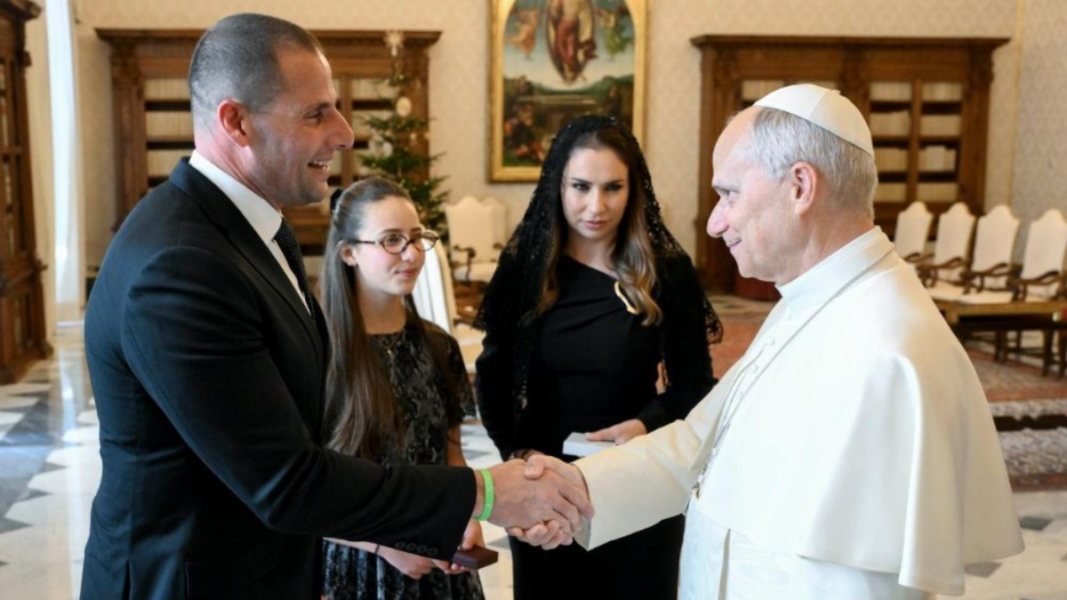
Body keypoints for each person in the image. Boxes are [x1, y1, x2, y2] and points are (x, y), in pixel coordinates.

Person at [81, 13, 590, 600]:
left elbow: (290, 439)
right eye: (316, 113)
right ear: (236, 121)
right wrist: (491, 493)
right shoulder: (180, 266)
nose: (345, 133)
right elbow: (284, 482)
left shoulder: (250, 232)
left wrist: (392, 528)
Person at [518, 84, 1025, 598]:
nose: (715, 223)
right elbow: (699, 443)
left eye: (729, 194)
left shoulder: (887, 353)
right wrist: (575, 488)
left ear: (800, 186)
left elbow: (853, 585)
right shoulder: (811, 298)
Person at [475, 115, 722, 599]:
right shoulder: (525, 267)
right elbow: (493, 378)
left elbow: (695, 385)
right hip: (546, 481)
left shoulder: (666, 270)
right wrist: (521, 456)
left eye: (613, 188)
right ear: (557, 185)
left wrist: (645, 425)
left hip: (637, 476)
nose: (596, 206)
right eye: (581, 187)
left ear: (634, 190)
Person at [318, 178, 484, 600]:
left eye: (415, 238)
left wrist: (466, 515)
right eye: (391, 240)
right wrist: (383, 545)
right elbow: (302, 490)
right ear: (349, 252)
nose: (411, 254)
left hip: (438, 558)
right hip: (360, 566)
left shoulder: (438, 345)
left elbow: (451, 452)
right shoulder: (319, 352)